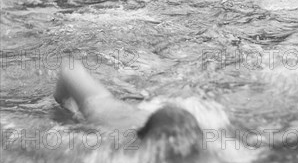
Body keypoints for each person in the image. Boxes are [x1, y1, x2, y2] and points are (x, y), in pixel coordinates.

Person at [54, 61, 203, 157]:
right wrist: (66, 116)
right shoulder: (115, 143)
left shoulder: (199, 151)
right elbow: (70, 68)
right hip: (113, 113)